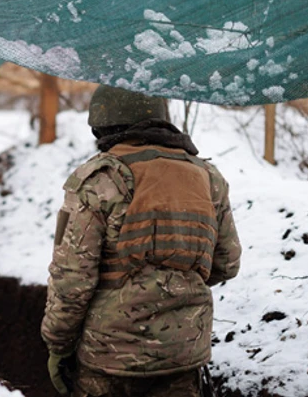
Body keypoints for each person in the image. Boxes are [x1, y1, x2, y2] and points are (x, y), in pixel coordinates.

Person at [41, 85, 242, 397]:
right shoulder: (208, 177)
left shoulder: (100, 178)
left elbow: (73, 280)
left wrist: (58, 345)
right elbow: (226, 264)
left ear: (104, 125)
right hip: (184, 355)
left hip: (110, 358)